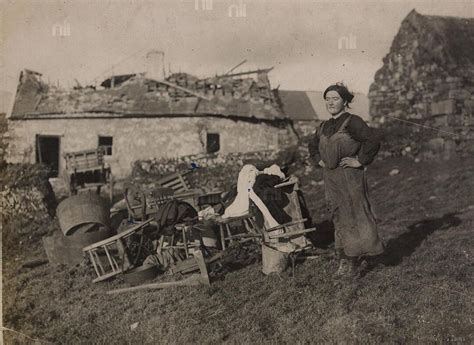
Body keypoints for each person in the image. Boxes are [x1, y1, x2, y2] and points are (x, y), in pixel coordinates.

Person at [309, 83, 384, 277]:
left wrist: (359, 161)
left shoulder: (353, 122)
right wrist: (319, 160)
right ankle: (343, 258)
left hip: (349, 176)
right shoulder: (323, 126)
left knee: (354, 214)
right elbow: (313, 147)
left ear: (344, 101)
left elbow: (373, 140)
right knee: (338, 216)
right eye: (327, 99)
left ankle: (353, 260)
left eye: (335, 98)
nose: (331, 102)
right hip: (331, 178)